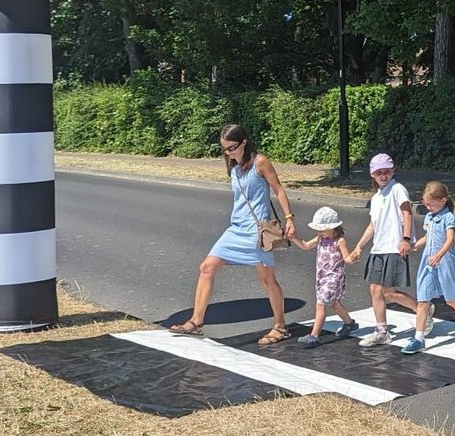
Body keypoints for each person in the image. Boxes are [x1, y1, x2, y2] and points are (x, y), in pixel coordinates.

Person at [169, 124, 297, 341]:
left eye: (231, 148)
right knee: (207, 267)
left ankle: (280, 326)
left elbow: (279, 190)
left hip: (257, 232)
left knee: (267, 279)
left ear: (244, 142)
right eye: (224, 149)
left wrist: (289, 218)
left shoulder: (260, 162)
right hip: (236, 229)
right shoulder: (234, 168)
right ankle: (196, 321)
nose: (228, 152)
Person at [348, 153, 429, 346]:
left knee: (388, 292)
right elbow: (373, 225)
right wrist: (359, 246)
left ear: (393, 171)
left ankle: (422, 310)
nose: (383, 175)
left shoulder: (397, 189)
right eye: (379, 172)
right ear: (372, 175)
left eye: (387, 171)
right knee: (375, 289)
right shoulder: (376, 197)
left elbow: (406, 213)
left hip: (394, 246)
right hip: (378, 248)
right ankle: (382, 330)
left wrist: (406, 239)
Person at [402, 181, 455, 354]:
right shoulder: (429, 217)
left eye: (430, 204)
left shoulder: (448, 218)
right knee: (423, 300)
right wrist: (414, 246)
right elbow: (428, 237)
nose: (427, 207)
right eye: (425, 203)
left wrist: (439, 255)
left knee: (451, 299)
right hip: (428, 263)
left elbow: (450, 239)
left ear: (443, 200)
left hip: (444, 262)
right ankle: (418, 338)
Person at [290, 206, 360, 348]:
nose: (319, 232)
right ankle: (349, 323)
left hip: (334, 277)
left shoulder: (339, 241)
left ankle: (314, 335)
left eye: (322, 229)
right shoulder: (320, 239)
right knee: (334, 303)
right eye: (318, 230)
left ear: (333, 227)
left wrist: (352, 258)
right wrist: (294, 238)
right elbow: (305, 246)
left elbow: (346, 258)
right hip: (322, 277)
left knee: (321, 303)